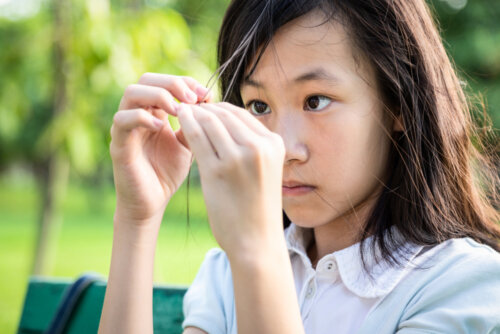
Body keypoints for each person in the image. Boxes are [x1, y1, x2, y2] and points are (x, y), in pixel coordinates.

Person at [98, 0, 500, 333]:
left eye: (315, 101)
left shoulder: (463, 286)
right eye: (258, 106)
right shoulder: (227, 272)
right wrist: (138, 220)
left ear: (397, 101)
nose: (282, 148)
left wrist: (256, 252)